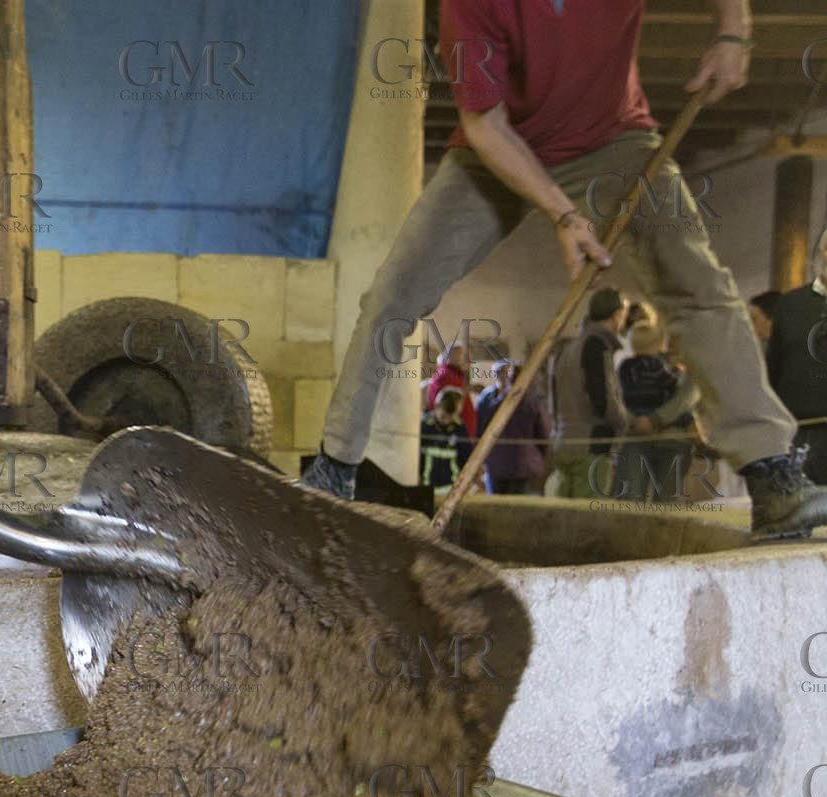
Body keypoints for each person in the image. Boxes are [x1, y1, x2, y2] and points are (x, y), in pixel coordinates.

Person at [298, 0, 827, 538]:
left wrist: (734, 31)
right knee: (393, 295)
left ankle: (770, 475)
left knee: (697, 284)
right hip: (494, 150)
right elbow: (484, 123)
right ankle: (334, 471)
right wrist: (563, 213)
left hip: (612, 140)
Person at [550, 288, 629, 498]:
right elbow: (602, 398)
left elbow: (554, 398)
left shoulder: (568, 348)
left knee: (564, 518)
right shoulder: (596, 345)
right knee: (588, 521)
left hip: (564, 440)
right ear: (617, 314)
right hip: (589, 445)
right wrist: (623, 423)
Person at [763, 231, 827, 483]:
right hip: (800, 433)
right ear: (824, 254)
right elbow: (773, 369)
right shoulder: (791, 304)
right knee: (799, 512)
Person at [614, 321, 698, 501]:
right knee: (630, 500)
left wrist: (647, 420)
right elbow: (674, 389)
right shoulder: (661, 368)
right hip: (643, 434)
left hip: (665, 436)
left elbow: (686, 398)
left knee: (663, 504)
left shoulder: (626, 367)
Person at [477, 359, 550, 494]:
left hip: (496, 463)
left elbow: (481, 430)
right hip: (523, 465)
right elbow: (543, 433)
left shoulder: (492, 405)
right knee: (518, 507)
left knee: (495, 506)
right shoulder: (533, 403)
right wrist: (539, 455)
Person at [420, 389, 475, 493]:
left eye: (451, 417)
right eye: (443, 417)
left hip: (451, 491)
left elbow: (466, 458)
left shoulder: (459, 429)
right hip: (426, 489)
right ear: (437, 406)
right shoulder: (425, 427)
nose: (447, 421)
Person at [425, 342, 479, 435]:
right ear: (451, 356)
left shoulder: (456, 375)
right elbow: (447, 404)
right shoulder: (446, 375)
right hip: (451, 434)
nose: (469, 361)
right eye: (463, 355)